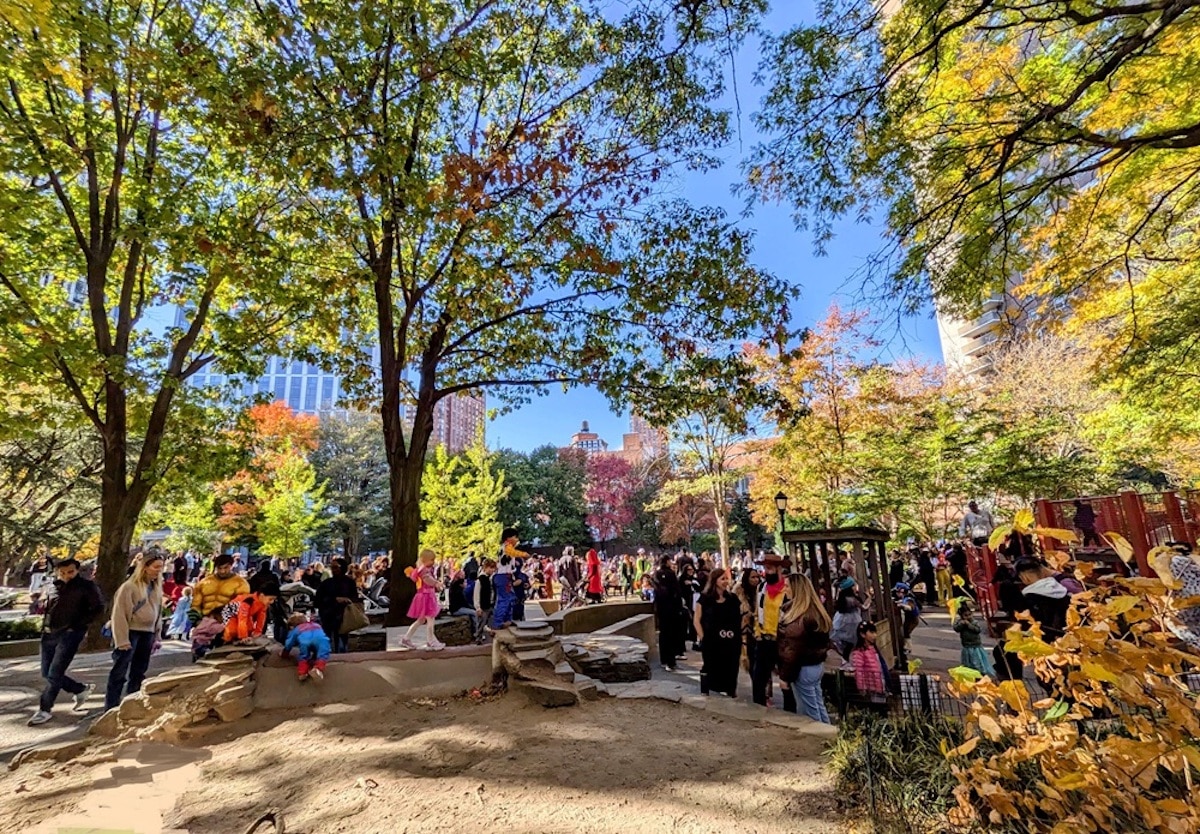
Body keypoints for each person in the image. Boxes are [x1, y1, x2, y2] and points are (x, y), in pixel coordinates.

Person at [28, 558, 105, 726]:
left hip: (70, 634)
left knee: (54, 673)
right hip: (49, 633)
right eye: (62, 572)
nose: (66, 576)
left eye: (70, 572)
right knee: (46, 673)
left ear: (77, 570)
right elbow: (49, 608)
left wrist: (77, 626)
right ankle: (80, 689)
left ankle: (45, 709)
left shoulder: (86, 586)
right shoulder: (53, 586)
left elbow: (99, 608)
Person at [105, 553, 165, 712]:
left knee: (139, 671)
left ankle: (132, 704)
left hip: (147, 632)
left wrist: (157, 634)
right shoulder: (129, 587)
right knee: (120, 671)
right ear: (145, 567)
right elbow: (119, 614)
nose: (159, 571)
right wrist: (122, 640)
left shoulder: (156, 587)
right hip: (131, 632)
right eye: (156, 567)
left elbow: (158, 611)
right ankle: (111, 706)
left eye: (161, 567)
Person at [776, 573, 832, 724]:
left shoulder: (798, 617)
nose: (784, 589)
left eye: (787, 586)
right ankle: (830, 734)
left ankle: (820, 737)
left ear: (796, 589)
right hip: (816, 666)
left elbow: (792, 650)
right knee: (818, 707)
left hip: (803, 668)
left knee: (809, 714)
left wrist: (784, 676)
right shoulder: (815, 611)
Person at [752, 553, 797, 713]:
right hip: (764, 639)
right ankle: (757, 710)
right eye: (765, 568)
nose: (766, 571)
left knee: (786, 680)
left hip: (782, 640)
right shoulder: (761, 588)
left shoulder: (788, 589)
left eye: (769, 568)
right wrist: (758, 632)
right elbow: (757, 612)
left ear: (779, 569)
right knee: (758, 678)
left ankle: (791, 713)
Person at [694, 569, 742, 697]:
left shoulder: (732, 599)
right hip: (712, 643)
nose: (726, 581)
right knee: (713, 670)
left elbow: (738, 620)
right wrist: (703, 638)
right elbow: (696, 620)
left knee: (731, 670)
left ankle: (731, 692)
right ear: (714, 581)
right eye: (722, 579)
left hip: (730, 642)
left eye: (726, 578)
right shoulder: (705, 599)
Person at [401, 549, 444, 650]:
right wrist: (437, 583)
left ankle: (406, 638)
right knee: (430, 620)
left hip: (423, 596)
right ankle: (430, 641)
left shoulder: (420, 569)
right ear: (425, 560)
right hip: (426, 597)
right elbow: (428, 580)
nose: (433, 562)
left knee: (421, 620)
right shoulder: (423, 570)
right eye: (432, 560)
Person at [315, 557, 360, 653]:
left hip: (344, 615)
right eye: (332, 567)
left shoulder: (349, 582)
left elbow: (355, 598)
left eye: (336, 567)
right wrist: (334, 600)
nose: (333, 570)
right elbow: (317, 600)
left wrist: (347, 600)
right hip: (328, 615)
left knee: (342, 640)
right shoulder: (326, 583)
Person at [651, 556, 685, 672]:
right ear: (667, 562)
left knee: (663, 634)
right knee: (671, 634)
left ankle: (664, 659)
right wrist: (679, 606)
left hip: (661, 608)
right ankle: (671, 662)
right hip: (671, 608)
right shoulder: (670, 574)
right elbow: (677, 591)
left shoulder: (656, 574)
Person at [191, 554, 250, 618]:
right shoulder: (204, 582)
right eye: (219, 568)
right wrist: (196, 620)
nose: (222, 571)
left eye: (226, 568)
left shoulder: (241, 583)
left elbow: (241, 605)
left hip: (228, 620)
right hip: (204, 619)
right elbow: (195, 605)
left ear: (231, 566)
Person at [282, 613, 331, 682]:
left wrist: (285, 653)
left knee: (304, 656)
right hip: (321, 640)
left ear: (292, 626)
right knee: (323, 654)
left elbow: (289, 643)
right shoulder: (316, 625)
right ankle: (317, 668)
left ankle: (302, 673)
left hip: (305, 641)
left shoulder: (297, 629)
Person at [494, 528, 528, 627]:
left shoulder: (504, 548)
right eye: (515, 537)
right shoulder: (507, 546)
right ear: (508, 538)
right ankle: (498, 622)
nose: (517, 539)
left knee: (510, 598)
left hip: (505, 576)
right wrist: (523, 554)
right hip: (503, 576)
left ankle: (507, 620)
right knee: (504, 600)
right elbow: (512, 552)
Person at [953, 599, 996, 677]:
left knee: (977, 659)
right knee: (968, 659)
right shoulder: (961, 622)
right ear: (961, 616)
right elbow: (956, 628)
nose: (968, 617)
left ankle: (980, 671)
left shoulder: (974, 622)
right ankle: (969, 670)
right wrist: (961, 624)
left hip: (975, 645)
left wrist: (969, 625)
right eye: (965, 615)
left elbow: (977, 630)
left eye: (969, 614)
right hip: (966, 645)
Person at [850, 621, 890, 699]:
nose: (875, 635)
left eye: (875, 632)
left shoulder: (873, 649)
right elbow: (858, 671)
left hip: (880, 685)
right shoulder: (859, 652)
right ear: (862, 634)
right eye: (871, 632)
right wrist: (861, 688)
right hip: (871, 688)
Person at [734, 568, 760, 683]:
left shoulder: (761, 591)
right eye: (753, 577)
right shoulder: (738, 592)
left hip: (760, 630)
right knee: (751, 659)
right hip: (746, 631)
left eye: (757, 577)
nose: (756, 580)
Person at [829, 577, 865, 661]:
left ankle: (844, 656)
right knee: (853, 641)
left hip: (840, 620)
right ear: (850, 588)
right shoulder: (853, 599)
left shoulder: (841, 598)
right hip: (853, 621)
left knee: (843, 640)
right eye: (853, 585)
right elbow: (864, 607)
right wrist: (869, 598)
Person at [472, 558, 497, 644]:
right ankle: (478, 638)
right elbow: (476, 594)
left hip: (490, 604)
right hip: (483, 605)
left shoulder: (490, 579)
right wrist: (478, 607)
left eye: (493, 568)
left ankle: (486, 638)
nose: (492, 570)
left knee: (488, 622)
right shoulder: (480, 580)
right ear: (485, 568)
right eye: (490, 568)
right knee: (481, 623)